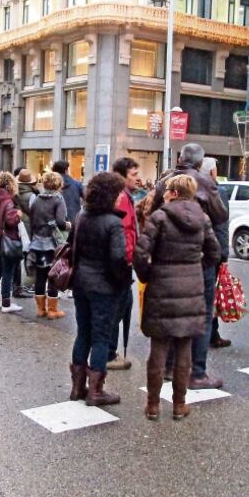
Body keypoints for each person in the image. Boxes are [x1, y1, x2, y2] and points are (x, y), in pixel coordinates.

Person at [134, 175, 220, 421]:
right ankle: (179, 404)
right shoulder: (203, 219)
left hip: (162, 285)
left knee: (159, 347)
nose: (164, 193)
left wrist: (148, 274)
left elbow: (140, 253)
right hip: (191, 287)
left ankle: (152, 405)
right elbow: (215, 253)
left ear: (173, 192)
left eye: (167, 190)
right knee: (184, 348)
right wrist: (196, 268)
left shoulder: (159, 218)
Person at [150, 143, 230, 390]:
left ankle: (169, 366)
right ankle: (197, 372)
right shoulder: (206, 183)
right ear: (200, 162)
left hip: (167, 257)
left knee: (171, 312)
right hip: (197, 257)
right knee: (200, 314)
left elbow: (152, 213)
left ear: (180, 159)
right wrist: (214, 257)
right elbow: (221, 215)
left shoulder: (165, 182)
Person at [68, 171, 130, 406]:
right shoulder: (113, 223)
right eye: (118, 193)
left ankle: (77, 387)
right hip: (104, 287)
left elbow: (71, 246)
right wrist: (123, 280)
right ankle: (96, 390)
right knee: (101, 336)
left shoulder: (81, 215)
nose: (120, 197)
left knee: (83, 332)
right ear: (111, 195)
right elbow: (118, 258)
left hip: (81, 282)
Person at [109, 157, 141, 371]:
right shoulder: (121, 198)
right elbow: (121, 232)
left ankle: (110, 351)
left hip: (124, 261)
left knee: (122, 305)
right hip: (121, 263)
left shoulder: (125, 196)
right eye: (134, 174)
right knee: (117, 308)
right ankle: (108, 353)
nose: (138, 178)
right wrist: (126, 259)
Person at [199, 156, 231, 350]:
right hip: (212, 249)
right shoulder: (218, 192)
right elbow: (221, 225)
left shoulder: (191, 187)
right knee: (210, 293)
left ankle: (207, 333)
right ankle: (211, 334)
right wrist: (223, 253)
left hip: (195, 250)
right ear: (212, 172)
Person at [28, 171, 69, 318]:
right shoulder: (58, 200)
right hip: (52, 244)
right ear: (58, 185)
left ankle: (40, 309)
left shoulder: (36, 199)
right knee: (53, 276)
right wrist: (69, 225)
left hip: (37, 242)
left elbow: (32, 221)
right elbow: (60, 222)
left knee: (40, 275)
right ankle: (52, 310)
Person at [0, 171, 24, 313]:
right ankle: (6, 304)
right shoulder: (8, 201)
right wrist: (18, 215)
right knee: (8, 271)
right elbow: (10, 221)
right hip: (6, 239)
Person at [13, 169, 39, 299]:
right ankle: (27, 284)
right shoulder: (31, 195)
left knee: (19, 256)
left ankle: (17, 284)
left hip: (18, 225)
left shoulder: (15, 192)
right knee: (29, 255)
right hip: (28, 227)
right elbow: (35, 213)